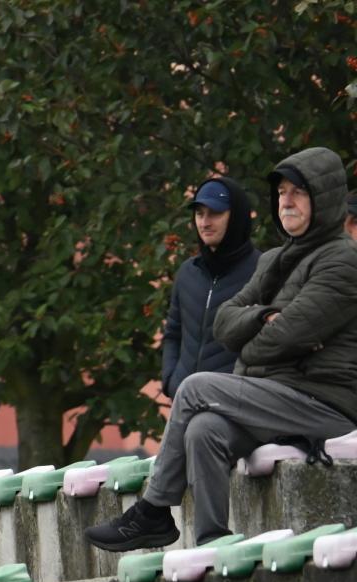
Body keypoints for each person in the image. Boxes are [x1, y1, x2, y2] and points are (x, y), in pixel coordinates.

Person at [86, 146, 357, 551]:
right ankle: (212, 543)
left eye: (298, 192)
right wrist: (263, 318)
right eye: (281, 192)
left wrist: (254, 341)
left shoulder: (343, 261)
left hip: (324, 402)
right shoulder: (276, 259)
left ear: (325, 197)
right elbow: (224, 323)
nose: (286, 201)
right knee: (203, 430)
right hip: (278, 394)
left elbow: (283, 338)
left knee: (196, 387)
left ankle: (153, 511)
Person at [161, 178, 260, 398]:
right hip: (184, 401)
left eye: (215, 213)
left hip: (234, 404)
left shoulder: (263, 271)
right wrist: (171, 381)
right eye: (199, 214)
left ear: (235, 216)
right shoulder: (188, 272)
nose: (204, 222)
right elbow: (173, 334)